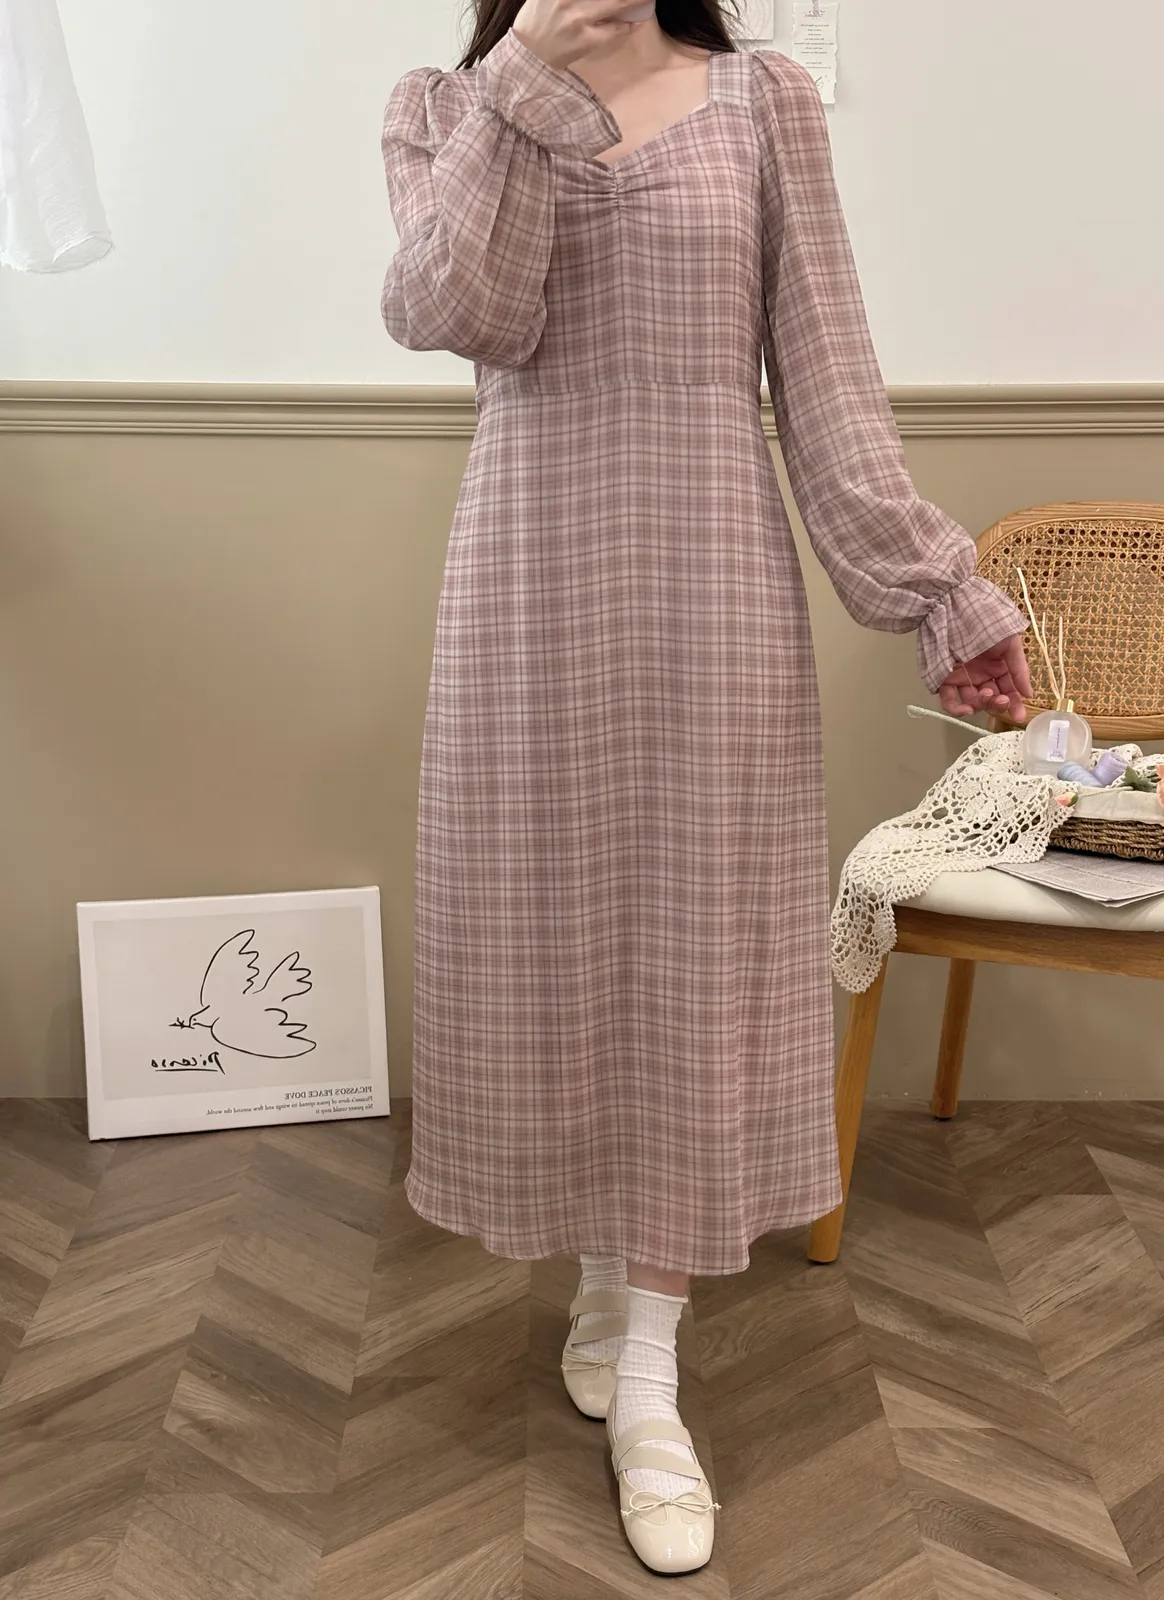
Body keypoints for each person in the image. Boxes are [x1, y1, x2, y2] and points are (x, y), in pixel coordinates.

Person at [380, 0, 1032, 1575]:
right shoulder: (443, 107)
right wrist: (526, 78)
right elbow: (457, 313)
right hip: (529, 585)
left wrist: (938, 594)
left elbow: (827, 378)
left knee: (693, 950)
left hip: (712, 587)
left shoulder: (761, 100)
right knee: (549, 945)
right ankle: (605, 1279)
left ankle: (656, 1376)